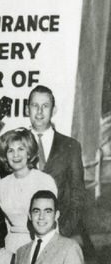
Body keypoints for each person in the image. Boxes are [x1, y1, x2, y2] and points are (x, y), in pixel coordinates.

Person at [28, 85, 88, 243]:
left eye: (45, 106)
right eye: (35, 105)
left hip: (60, 232)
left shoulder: (70, 146)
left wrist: (62, 231)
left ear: (53, 110)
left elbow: (78, 195)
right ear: (27, 109)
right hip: (23, 233)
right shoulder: (15, 143)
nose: (39, 112)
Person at [0, 128, 59, 252]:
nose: (15, 155)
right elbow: (5, 224)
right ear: (5, 156)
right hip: (11, 245)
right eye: (10, 150)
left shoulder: (45, 181)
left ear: (29, 153)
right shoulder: (3, 184)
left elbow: (53, 222)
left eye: (21, 149)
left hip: (38, 243)